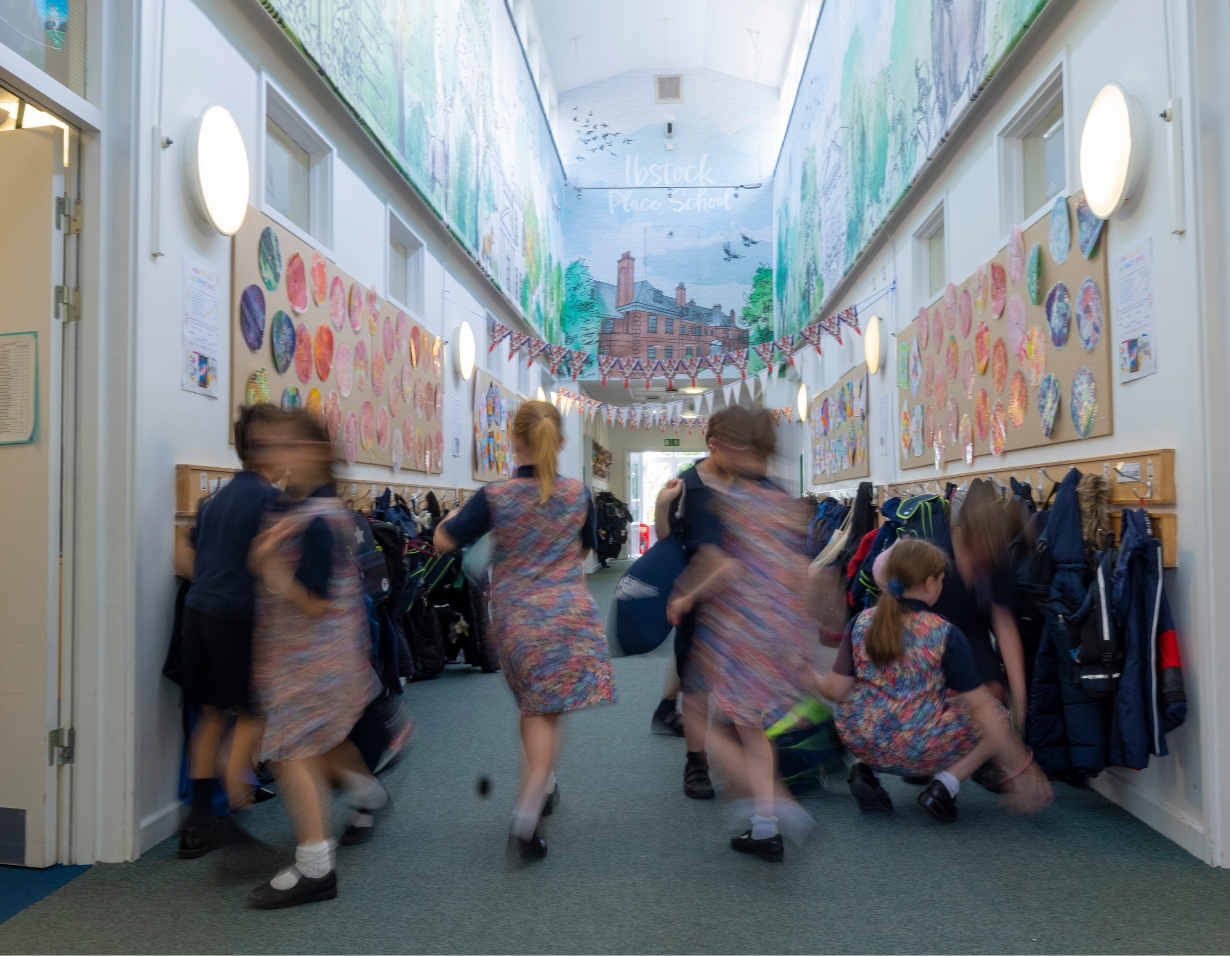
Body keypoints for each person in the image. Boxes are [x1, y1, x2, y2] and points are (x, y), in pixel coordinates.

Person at [435, 400, 615, 861]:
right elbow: (580, 553)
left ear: (513, 441)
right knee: (544, 710)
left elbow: (443, 542)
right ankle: (535, 794)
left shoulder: (494, 497)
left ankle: (536, 791)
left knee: (537, 708)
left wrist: (450, 522)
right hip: (569, 613)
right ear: (562, 442)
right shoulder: (578, 494)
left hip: (517, 617)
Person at [245, 410, 386, 908]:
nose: (273, 456)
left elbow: (316, 601)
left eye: (282, 445)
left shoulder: (319, 519)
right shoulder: (305, 507)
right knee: (320, 745)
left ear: (312, 452)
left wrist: (268, 567)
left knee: (289, 754)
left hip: (313, 665)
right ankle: (368, 796)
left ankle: (315, 866)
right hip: (306, 662)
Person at [668, 408, 818, 862]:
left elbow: (723, 563)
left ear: (735, 447)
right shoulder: (786, 500)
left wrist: (685, 594)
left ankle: (777, 806)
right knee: (754, 730)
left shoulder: (733, 499)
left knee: (706, 721)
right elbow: (797, 568)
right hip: (780, 625)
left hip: (739, 628)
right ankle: (765, 826)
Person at [815, 538, 1052, 823]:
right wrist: (1023, 765)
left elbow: (835, 689)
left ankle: (864, 769)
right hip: (920, 749)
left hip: (861, 739)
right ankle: (944, 786)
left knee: (873, 703)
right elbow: (981, 709)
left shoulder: (862, 621)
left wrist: (806, 674)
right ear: (929, 583)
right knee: (996, 714)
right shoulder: (945, 633)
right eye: (940, 580)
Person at [175, 403, 283, 859]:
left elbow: (189, 557)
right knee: (255, 712)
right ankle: (233, 811)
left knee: (211, 714)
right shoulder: (271, 502)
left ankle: (198, 823)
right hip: (237, 617)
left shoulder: (214, 498)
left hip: (198, 613)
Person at [648, 411, 742, 800]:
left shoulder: (751, 486)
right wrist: (660, 505)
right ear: (712, 444)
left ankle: (743, 749)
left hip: (743, 600)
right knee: (696, 686)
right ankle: (696, 761)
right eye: (734, 446)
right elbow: (667, 544)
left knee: (743, 679)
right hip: (698, 599)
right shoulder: (685, 485)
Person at [928, 484, 1028, 789]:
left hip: (969, 630)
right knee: (939, 697)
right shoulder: (935, 552)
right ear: (970, 532)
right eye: (989, 543)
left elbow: (1005, 629)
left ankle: (981, 760)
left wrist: (1020, 711)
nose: (995, 552)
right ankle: (927, 756)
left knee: (994, 691)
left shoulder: (997, 563)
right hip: (928, 632)